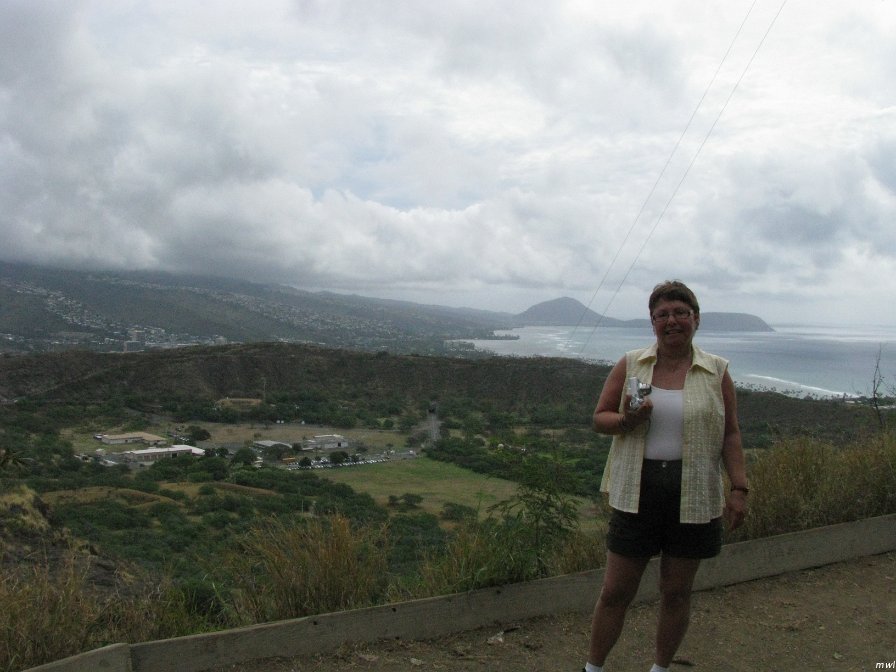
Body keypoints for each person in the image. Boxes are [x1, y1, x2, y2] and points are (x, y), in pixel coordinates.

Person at [582, 280, 749, 672]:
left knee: (676, 592)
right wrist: (627, 420)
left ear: (695, 319)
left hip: (693, 494)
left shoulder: (716, 371)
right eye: (663, 315)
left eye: (680, 313)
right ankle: (592, 668)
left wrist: (738, 487)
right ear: (652, 323)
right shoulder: (632, 364)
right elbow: (599, 419)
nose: (672, 321)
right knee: (615, 592)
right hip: (637, 491)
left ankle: (660, 668)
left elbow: (731, 433)